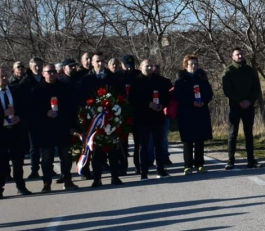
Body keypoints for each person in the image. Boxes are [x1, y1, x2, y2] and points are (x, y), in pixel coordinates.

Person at [0, 67, 31, 199]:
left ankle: (21, 186)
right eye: (1, 76)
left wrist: (19, 118)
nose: (4, 78)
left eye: (5, 76)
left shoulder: (16, 91)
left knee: (18, 161)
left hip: (15, 131)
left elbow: (25, 110)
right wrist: (2, 114)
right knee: (1, 162)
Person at [30, 63, 79, 190]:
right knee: (47, 158)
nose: (51, 74)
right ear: (43, 74)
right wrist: (45, 112)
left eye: (53, 72)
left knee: (66, 157)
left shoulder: (65, 88)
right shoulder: (37, 89)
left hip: (63, 127)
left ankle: (67, 179)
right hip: (46, 129)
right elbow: (32, 111)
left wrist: (73, 126)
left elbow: (72, 108)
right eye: (48, 72)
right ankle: (47, 183)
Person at [79, 52, 125, 186]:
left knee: (113, 149)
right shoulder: (86, 79)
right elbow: (81, 99)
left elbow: (121, 95)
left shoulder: (113, 78)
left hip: (111, 118)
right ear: (92, 63)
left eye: (102, 61)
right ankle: (97, 178)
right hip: (94, 120)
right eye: (97, 61)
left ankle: (115, 177)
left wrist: (116, 110)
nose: (100, 64)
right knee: (97, 151)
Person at [221, 47, 263, 170]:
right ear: (232, 57)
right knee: (233, 133)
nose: (240, 56)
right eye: (237, 54)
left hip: (249, 106)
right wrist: (239, 101)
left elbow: (256, 88)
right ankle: (230, 160)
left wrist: (249, 101)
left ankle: (251, 160)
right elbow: (227, 89)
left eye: (241, 54)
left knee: (249, 133)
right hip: (235, 106)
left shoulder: (250, 70)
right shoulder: (228, 71)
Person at [131, 58, 172, 179]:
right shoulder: (136, 82)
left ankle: (161, 169)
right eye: (146, 66)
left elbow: (167, 95)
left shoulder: (159, 81)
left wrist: (162, 105)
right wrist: (147, 104)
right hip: (142, 118)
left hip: (157, 117)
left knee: (158, 144)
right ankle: (144, 172)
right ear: (140, 67)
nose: (149, 68)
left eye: (151, 66)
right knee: (143, 146)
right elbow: (133, 100)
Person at [174, 54, 213, 175]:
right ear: (186, 66)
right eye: (191, 64)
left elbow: (209, 93)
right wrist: (192, 102)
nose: (194, 66)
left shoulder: (202, 79)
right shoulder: (181, 81)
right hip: (187, 114)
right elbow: (179, 96)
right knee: (188, 141)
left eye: (196, 64)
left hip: (201, 113)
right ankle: (188, 165)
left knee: (200, 140)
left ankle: (200, 164)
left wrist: (203, 101)